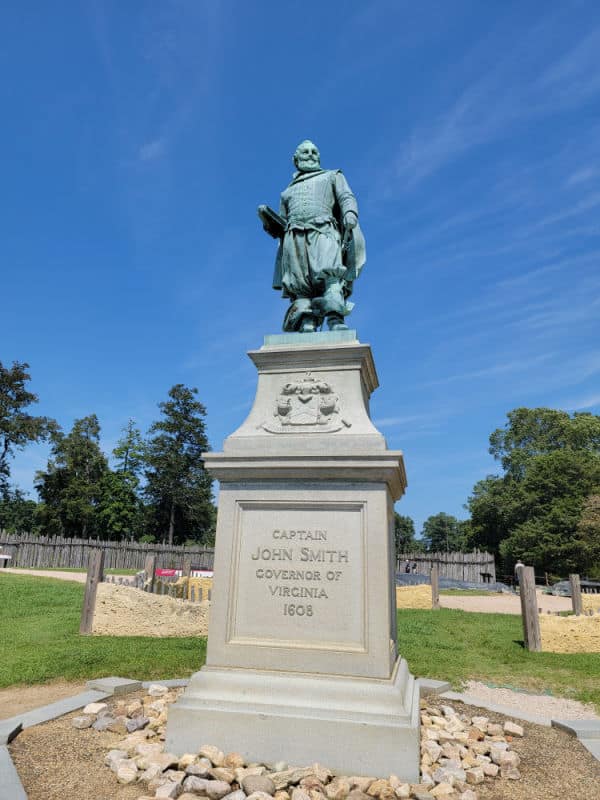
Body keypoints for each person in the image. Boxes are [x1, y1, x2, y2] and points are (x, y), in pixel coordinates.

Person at [259, 140, 366, 332]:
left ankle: (335, 319)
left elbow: (346, 197)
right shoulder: (287, 192)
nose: (310, 155)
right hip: (294, 238)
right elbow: (281, 226)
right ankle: (306, 320)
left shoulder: (333, 176)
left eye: (314, 152)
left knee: (330, 275)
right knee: (300, 283)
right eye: (305, 152)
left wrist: (350, 213)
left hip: (323, 231)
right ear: (296, 159)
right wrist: (268, 222)